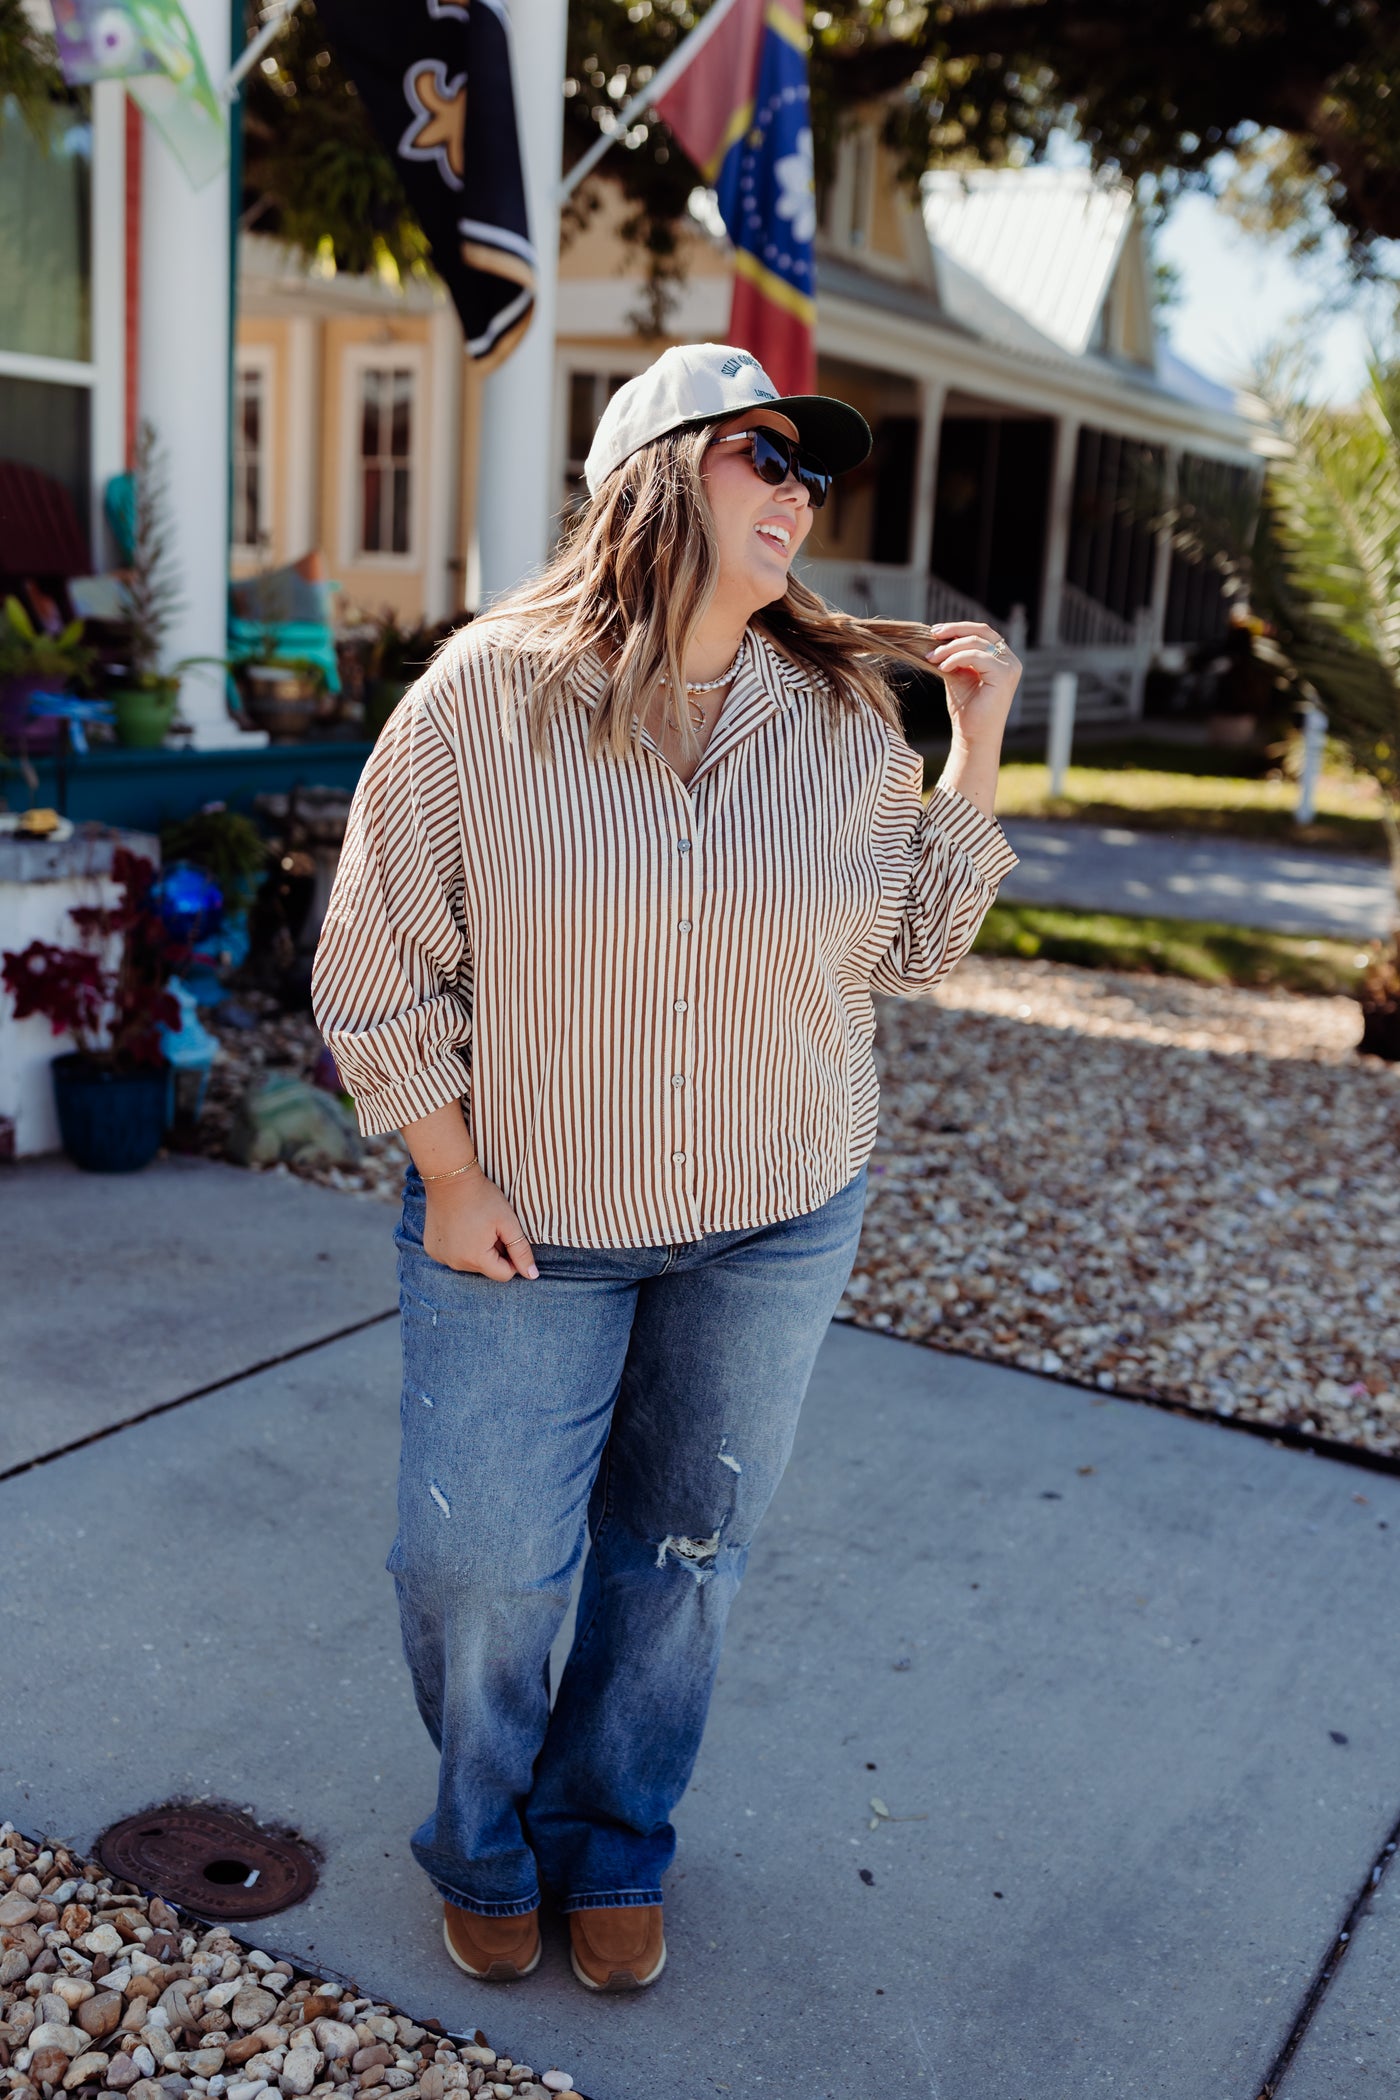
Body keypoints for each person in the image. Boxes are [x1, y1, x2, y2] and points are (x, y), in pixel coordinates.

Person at [311, 343, 1020, 1994]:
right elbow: (372, 960)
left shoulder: (845, 712)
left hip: (776, 1214)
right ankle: (484, 1837)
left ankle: (613, 1836)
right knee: (480, 1561)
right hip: (529, 1218)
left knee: (684, 1554)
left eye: (810, 472)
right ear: (655, 472)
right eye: (765, 456)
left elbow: (915, 946)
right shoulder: (487, 693)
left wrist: (968, 747)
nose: (798, 494)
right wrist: (451, 1169)